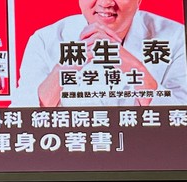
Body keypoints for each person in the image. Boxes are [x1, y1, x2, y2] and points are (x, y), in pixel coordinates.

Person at [13, 0, 187, 107]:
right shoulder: (45, 39)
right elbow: (19, 119)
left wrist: (133, 66)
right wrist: (67, 65)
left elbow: (180, 121)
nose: (105, 3)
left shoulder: (176, 36)